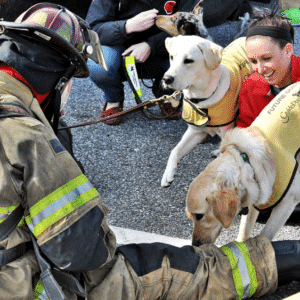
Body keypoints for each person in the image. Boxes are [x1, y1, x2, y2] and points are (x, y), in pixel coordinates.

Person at [1, 3, 300, 300]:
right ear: (57, 77)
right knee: (166, 273)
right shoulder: (32, 140)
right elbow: (86, 256)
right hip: (20, 282)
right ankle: (274, 260)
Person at [85, 0, 201, 125]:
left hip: (163, 50)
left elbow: (191, 27)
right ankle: (114, 98)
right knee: (98, 65)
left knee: (193, 58)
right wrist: (127, 26)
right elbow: (92, 31)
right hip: (119, 48)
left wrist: (151, 45)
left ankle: (167, 93)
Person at [236, 13, 300, 128]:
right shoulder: (250, 87)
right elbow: (246, 130)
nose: (260, 70)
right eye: (253, 61)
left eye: (266, 58)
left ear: (288, 50)